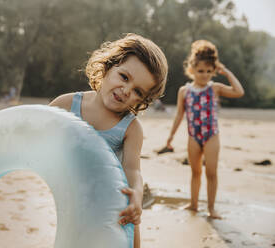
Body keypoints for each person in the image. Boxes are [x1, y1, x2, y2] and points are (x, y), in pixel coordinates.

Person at [49, 33, 168, 248]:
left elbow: (133, 170)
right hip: (76, 200)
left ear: (142, 100)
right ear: (108, 66)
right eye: (124, 77)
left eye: (137, 92)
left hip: (115, 205)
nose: (126, 91)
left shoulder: (130, 128)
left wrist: (137, 195)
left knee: (130, 240)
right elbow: (36, 134)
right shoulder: (66, 105)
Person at [165, 40, 244, 219]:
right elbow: (179, 116)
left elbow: (239, 92)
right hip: (193, 136)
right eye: (201, 71)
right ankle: (193, 204)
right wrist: (170, 137)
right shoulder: (184, 91)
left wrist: (227, 72)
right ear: (192, 69)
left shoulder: (215, 88)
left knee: (211, 173)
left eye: (209, 71)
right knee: (195, 172)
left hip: (211, 136)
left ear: (214, 71)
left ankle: (211, 208)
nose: (205, 75)